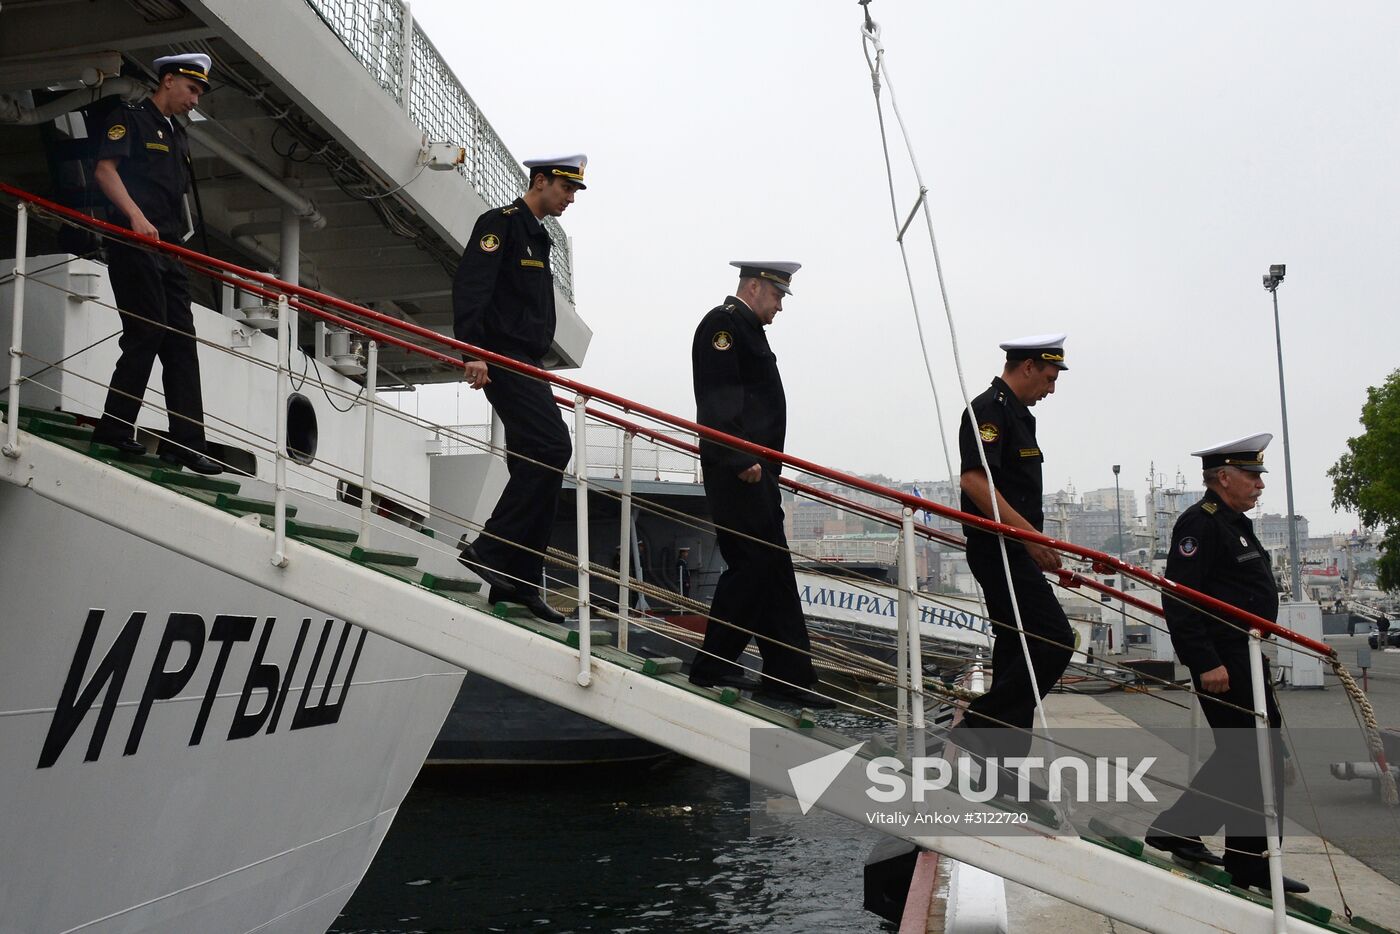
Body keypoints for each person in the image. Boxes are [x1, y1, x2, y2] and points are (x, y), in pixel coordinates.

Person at [1145, 433, 1309, 894]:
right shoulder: (1201, 523)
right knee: (1253, 754)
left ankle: (1217, 844)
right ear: (1224, 477)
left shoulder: (1234, 523)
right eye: (1252, 475)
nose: (1259, 484)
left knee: (1253, 754)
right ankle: (1244, 859)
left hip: (1243, 653)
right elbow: (1179, 598)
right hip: (1224, 658)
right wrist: (1205, 662)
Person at [687, 261, 833, 708]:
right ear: (754, 287)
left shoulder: (748, 329)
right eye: (777, 296)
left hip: (758, 473)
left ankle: (791, 678)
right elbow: (719, 396)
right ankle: (710, 667)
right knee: (752, 567)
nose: (780, 307)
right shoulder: (723, 325)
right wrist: (740, 456)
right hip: (738, 471)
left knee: (774, 572)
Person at [452, 154, 587, 625]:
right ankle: (490, 549)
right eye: (566, 189)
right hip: (503, 358)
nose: (570, 199)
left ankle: (520, 582)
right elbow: (473, 287)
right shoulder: (501, 224)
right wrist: (472, 351)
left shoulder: (539, 237)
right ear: (541, 181)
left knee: (537, 462)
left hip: (528, 361)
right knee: (554, 445)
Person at [89, 53, 222, 475]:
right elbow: (105, 171)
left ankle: (185, 443)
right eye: (192, 89)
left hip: (169, 251)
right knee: (146, 331)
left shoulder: (177, 135)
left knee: (182, 342)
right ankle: (114, 427)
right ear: (168, 80)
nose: (195, 100)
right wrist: (134, 216)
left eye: (199, 92)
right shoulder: (129, 117)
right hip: (133, 242)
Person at [948, 335, 1075, 764]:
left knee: (1016, 650)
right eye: (1049, 377)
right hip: (1001, 550)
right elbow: (975, 482)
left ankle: (1003, 771)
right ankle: (981, 727)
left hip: (1016, 549)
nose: (1051, 389)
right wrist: (1029, 538)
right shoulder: (989, 410)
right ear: (1027, 367)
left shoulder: (1019, 416)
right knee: (1055, 640)